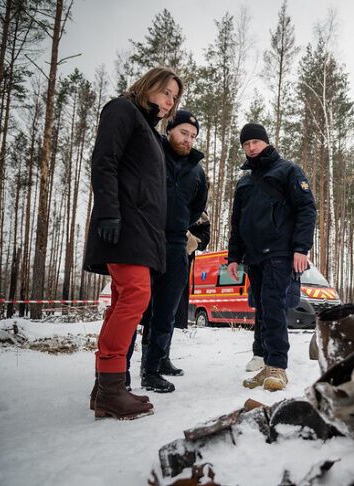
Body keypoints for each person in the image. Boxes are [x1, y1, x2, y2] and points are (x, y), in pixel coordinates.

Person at [84, 66, 182, 419]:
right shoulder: (122, 109)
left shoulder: (150, 130)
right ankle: (111, 387)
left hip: (143, 229)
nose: (170, 101)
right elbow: (104, 160)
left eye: (174, 97)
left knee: (126, 299)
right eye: (166, 91)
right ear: (148, 86)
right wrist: (109, 212)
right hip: (124, 225)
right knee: (136, 297)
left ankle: (106, 387)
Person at [227, 123, 317, 392]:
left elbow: (306, 209)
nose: (251, 147)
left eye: (255, 142)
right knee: (264, 310)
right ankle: (267, 363)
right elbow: (237, 223)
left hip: (280, 252)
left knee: (274, 305)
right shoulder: (244, 182)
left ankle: (278, 366)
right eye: (246, 144)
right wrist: (233, 257)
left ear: (266, 142)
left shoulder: (288, 170)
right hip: (253, 256)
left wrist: (301, 248)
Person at [141, 110, 208, 393]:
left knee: (167, 310)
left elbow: (198, 208)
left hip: (176, 244)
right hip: (146, 238)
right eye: (183, 133)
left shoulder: (197, 170)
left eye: (193, 136)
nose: (188, 139)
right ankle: (117, 372)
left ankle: (152, 369)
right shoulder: (153, 153)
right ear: (170, 129)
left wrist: (182, 228)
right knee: (140, 307)